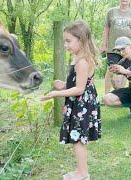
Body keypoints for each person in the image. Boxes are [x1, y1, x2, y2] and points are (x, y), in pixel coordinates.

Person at [41, 20, 101, 180]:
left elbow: (80, 89)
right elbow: (79, 83)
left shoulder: (82, 62)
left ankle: (82, 174)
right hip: (81, 102)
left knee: (78, 140)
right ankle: (81, 170)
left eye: (68, 41)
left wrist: (56, 94)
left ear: (81, 40)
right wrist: (64, 85)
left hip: (81, 104)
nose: (66, 45)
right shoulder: (78, 58)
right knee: (78, 139)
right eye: (64, 41)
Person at [100, 0, 131, 96]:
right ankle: (106, 95)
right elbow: (106, 29)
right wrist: (103, 44)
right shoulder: (111, 12)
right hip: (113, 48)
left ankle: (129, 94)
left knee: (128, 71)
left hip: (129, 49)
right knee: (111, 69)